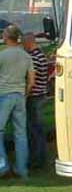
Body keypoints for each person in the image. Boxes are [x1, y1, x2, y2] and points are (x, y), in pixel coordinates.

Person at [0, 25, 35, 178]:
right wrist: (25, 94)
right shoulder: (26, 55)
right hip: (20, 96)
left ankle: (3, 167)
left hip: (4, 95)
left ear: (6, 37)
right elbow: (31, 81)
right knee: (21, 134)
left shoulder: (2, 55)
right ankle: (22, 170)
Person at [23, 32, 49, 168]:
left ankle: (36, 160)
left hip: (33, 97)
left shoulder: (33, 58)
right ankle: (41, 158)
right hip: (41, 95)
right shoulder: (41, 55)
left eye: (24, 43)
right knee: (39, 129)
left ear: (28, 42)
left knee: (34, 130)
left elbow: (31, 80)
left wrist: (25, 94)